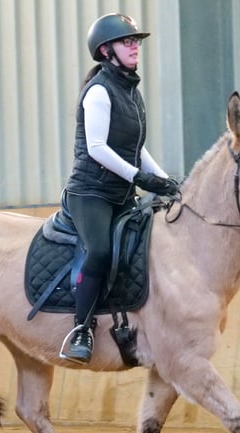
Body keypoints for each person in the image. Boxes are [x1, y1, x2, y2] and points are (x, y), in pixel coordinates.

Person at [59, 13, 179, 364]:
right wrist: (140, 178)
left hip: (122, 194)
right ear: (106, 50)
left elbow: (135, 146)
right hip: (90, 193)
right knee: (98, 251)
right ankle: (81, 329)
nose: (134, 46)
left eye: (135, 41)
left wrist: (166, 179)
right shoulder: (98, 91)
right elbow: (97, 148)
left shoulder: (130, 92)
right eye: (126, 41)